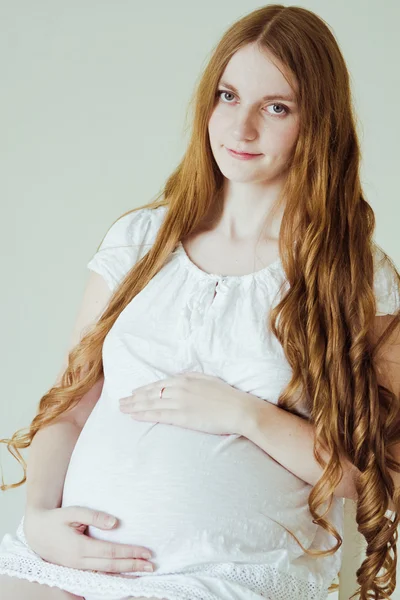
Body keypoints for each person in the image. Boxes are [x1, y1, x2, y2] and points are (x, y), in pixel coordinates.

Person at [1, 4, 399, 600]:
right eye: (228, 95)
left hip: (230, 578)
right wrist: (39, 519)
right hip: (67, 564)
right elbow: (72, 402)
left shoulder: (353, 274)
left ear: (319, 123)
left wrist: (248, 416)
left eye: (276, 107)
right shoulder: (140, 240)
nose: (240, 129)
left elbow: (381, 472)